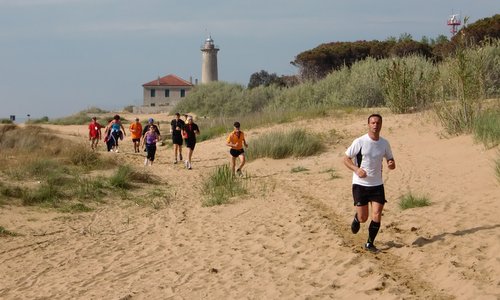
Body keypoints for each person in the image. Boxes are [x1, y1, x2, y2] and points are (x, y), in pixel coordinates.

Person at [343, 114, 396, 253]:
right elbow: (346, 158)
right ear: (368, 124)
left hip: (377, 184)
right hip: (360, 184)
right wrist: (356, 169)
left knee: (377, 214)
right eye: (372, 123)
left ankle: (370, 243)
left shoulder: (384, 143)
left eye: (378, 123)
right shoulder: (360, 141)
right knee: (363, 218)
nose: (375, 125)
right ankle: (356, 218)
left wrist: (391, 163)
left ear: (381, 124)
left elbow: (390, 159)